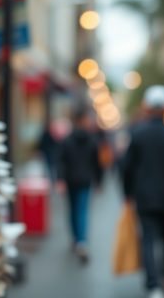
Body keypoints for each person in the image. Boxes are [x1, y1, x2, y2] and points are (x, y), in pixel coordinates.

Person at [122, 85, 164, 298]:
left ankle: (153, 285)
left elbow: (126, 166)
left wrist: (128, 194)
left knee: (148, 238)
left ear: (147, 108)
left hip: (144, 196)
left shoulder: (138, 134)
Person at [57, 107, 102, 263]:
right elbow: (97, 164)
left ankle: (77, 239)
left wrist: (60, 179)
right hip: (85, 180)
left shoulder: (67, 140)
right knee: (81, 209)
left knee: (73, 209)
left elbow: (61, 161)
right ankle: (81, 241)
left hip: (71, 180)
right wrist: (98, 181)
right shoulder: (92, 140)